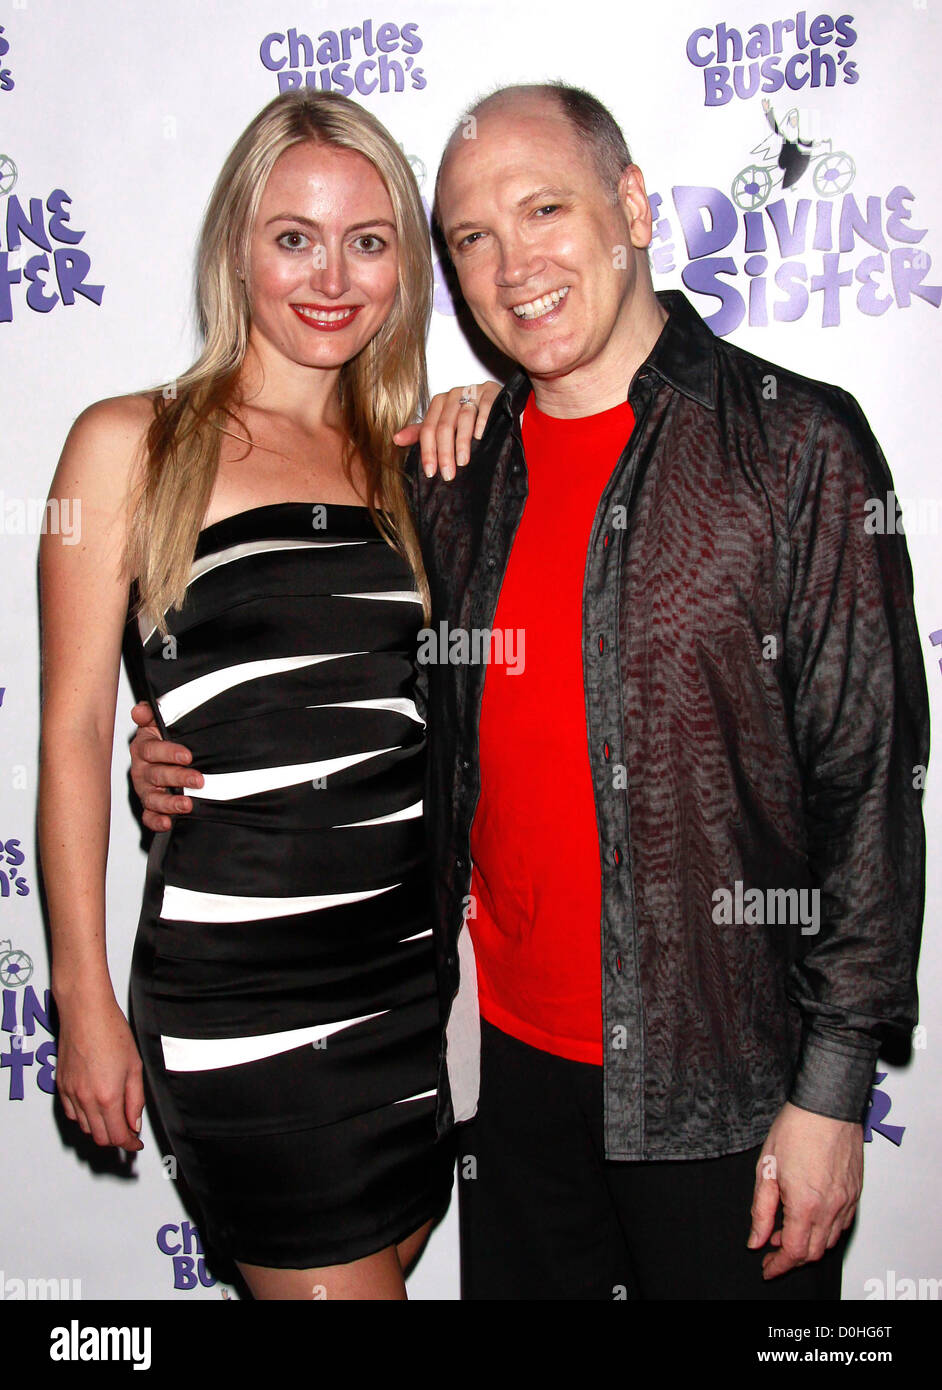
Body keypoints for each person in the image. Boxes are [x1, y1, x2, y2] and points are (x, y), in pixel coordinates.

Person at [130, 82, 929, 1301]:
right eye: (472, 237)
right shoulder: (448, 473)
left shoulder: (796, 445)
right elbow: (337, 676)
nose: (514, 266)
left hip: (724, 1086)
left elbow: (867, 784)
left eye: (544, 209)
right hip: (498, 1081)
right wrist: (183, 745)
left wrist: (832, 1090)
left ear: (633, 208)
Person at [38, 88, 494, 1302]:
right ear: (236, 246)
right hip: (245, 999)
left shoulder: (414, 465)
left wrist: (490, 407)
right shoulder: (128, 443)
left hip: (408, 984)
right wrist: (80, 996)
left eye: (367, 239)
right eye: (295, 236)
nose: (330, 277)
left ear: (405, 263)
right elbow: (74, 730)